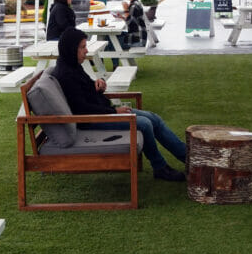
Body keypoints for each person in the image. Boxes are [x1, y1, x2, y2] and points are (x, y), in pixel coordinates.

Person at [52, 27, 186, 181]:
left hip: (102, 112)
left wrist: (98, 84)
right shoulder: (66, 74)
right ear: (71, 48)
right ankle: (160, 167)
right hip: (90, 121)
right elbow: (81, 108)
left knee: (153, 118)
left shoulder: (72, 64)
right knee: (144, 123)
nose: (86, 51)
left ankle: (188, 157)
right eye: (82, 47)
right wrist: (115, 112)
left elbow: (86, 89)